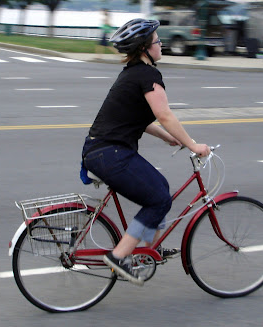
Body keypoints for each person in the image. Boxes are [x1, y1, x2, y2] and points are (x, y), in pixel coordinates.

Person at [81, 19, 211, 286]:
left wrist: (167, 138)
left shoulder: (132, 73)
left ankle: (149, 248)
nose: (161, 43)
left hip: (101, 150)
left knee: (161, 187)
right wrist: (193, 145)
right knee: (159, 200)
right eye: (157, 40)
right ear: (144, 48)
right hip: (111, 153)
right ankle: (119, 257)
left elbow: (137, 118)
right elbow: (164, 114)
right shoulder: (148, 75)